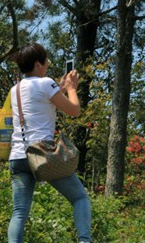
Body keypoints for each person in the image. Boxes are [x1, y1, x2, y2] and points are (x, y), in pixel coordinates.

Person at [8, 42, 92, 243]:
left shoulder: (15, 89)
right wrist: (71, 88)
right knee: (80, 198)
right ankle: (85, 240)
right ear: (38, 64)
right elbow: (74, 110)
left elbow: (40, 102)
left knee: (19, 211)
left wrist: (60, 87)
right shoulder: (46, 83)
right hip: (43, 157)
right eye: (46, 61)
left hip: (18, 157)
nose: (47, 65)